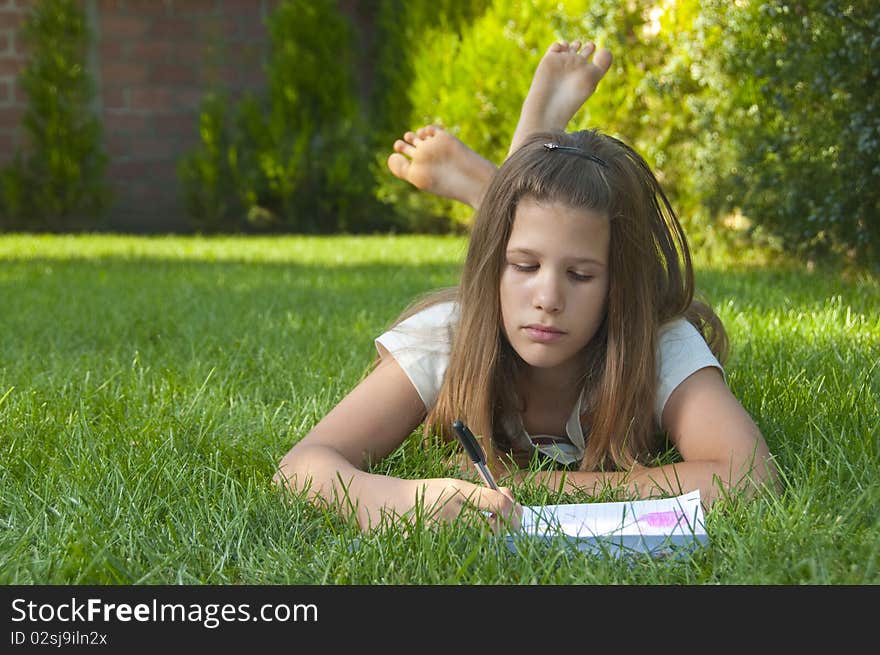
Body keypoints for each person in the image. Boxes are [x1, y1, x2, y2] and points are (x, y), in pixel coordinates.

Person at [273, 40, 780, 531]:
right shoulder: (447, 336)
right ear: (493, 269)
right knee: (529, 240)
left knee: (540, 234)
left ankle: (502, 188)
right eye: (523, 266)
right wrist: (399, 499)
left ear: (619, 286)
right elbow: (300, 469)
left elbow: (750, 477)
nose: (548, 299)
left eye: (580, 275)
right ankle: (505, 189)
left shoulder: (657, 341)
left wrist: (539, 485)